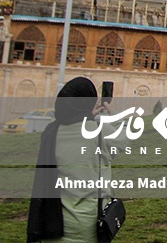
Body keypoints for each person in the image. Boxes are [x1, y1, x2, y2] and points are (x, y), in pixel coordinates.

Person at [27, 76, 114, 243]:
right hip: (87, 225)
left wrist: (87, 115)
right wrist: (112, 114)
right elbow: (125, 139)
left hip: (52, 221)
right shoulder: (99, 130)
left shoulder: (51, 131)